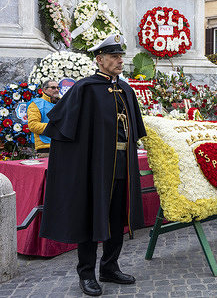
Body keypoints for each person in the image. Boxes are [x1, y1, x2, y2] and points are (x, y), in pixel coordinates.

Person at [39, 34, 147, 297]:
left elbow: (134, 130)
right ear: (99, 60)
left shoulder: (127, 90)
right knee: (89, 216)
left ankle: (109, 267)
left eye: (121, 56)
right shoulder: (85, 89)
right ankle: (86, 273)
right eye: (114, 57)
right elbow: (63, 131)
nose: (120, 60)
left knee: (117, 216)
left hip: (123, 164)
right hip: (94, 168)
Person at [26, 79, 60, 158]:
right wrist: (56, 127)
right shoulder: (36, 104)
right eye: (53, 88)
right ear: (44, 90)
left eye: (58, 88)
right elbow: (33, 125)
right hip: (46, 148)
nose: (56, 90)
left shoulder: (62, 103)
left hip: (63, 146)